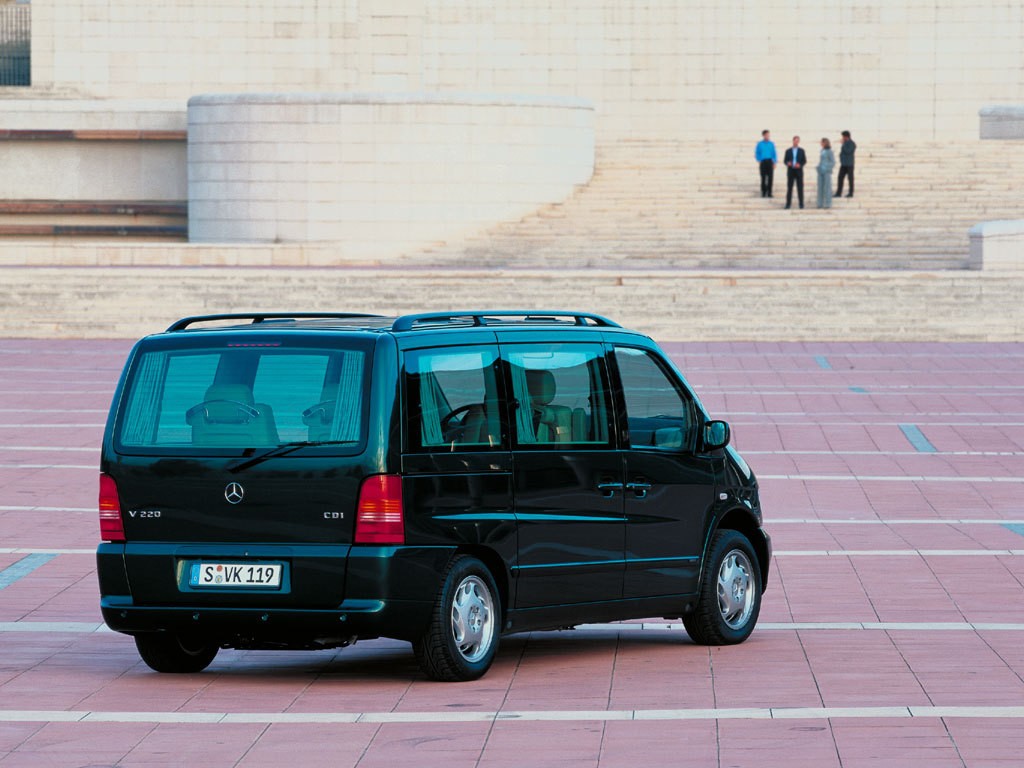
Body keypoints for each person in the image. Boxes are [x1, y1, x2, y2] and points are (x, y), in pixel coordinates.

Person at [783, 136, 807, 209]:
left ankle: (801, 204)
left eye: (797, 141)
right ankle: (788, 204)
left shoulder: (802, 150)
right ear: (793, 141)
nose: (796, 142)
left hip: (799, 171)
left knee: (800, 188)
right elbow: (785, 160)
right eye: (795, 140)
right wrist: (788, 163)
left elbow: (804, 161)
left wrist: (800, 165)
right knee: (789, 188)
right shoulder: (788, 151)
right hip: (791, 171)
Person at [755, 130, 777, 197]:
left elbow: (774, 153)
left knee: (770, 178)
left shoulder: (771, 144)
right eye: (766, 135)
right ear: (763, 135)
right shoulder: (759, 144)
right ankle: (764, 192)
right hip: (763, 162)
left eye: (768, 135)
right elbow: (757, 153)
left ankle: (769, 192)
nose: (768, 136)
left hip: (770, 161)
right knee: (763, 178)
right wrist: (759, 160)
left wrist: (774, 162)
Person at [836, 130, 856, 197]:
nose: (842, 138)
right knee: (840, 178)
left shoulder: (852, 143)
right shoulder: (846, 143)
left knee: (850, 179)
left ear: (846, 137)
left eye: (843, 136)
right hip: (844, 164)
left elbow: (848, 151)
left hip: (849, 164)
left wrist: (843, 144)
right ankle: (838, 193)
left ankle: (851, 193)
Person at [816, 138, 835, 209]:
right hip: (820, 171)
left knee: (827, 188)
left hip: (827, 171)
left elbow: (833, 162)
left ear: (825, 143)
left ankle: (828, 203)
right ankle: (819, 203)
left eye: (821, 142)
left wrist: (827, 167)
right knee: (820, 188)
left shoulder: (830, 151)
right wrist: (818, 167)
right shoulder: (821, 151)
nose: (820, 143)